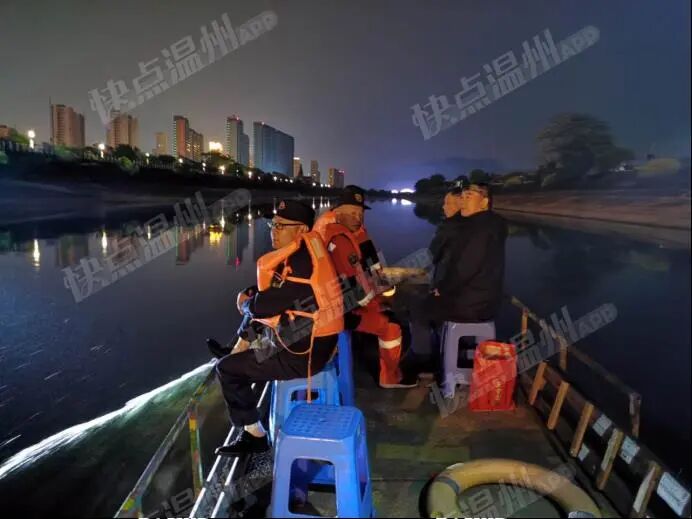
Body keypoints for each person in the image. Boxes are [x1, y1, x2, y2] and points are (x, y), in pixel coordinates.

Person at [214, 200, 343, 456]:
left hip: (301, 355)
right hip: (312, 342)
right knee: (258, 309)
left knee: (227, 370)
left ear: (301, 230)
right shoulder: (305, 251)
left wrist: (244, 303)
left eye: (281, 226)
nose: (274, 230)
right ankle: (237, 348)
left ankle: (255, 436)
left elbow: (263, 307)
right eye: (273, 225)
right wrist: (253, 298)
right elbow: (273, 293)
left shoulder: (301, 265)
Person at [314, 185, 416, 388]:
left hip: (337, 304)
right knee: (393, 326)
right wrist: (381, 302)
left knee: (388, 306)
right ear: (337, 212)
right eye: (352, 213)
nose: (358, 218)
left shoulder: (342, 232)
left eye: (360, 213)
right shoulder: (339, 240)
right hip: (339, 311)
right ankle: (389, 378)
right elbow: (357, 292)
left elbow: (369, 270)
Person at [404, 183, 507, 380]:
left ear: (484, 202)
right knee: (424, 301)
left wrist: (442, 289)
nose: (463, 202)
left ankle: (423, 359)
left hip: (473, 303)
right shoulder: (485, 224)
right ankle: (441, 354)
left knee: (418, 307)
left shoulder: (481, 230)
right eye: (463, 197)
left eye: (469, 197)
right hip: (479, 298)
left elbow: (465, 268)